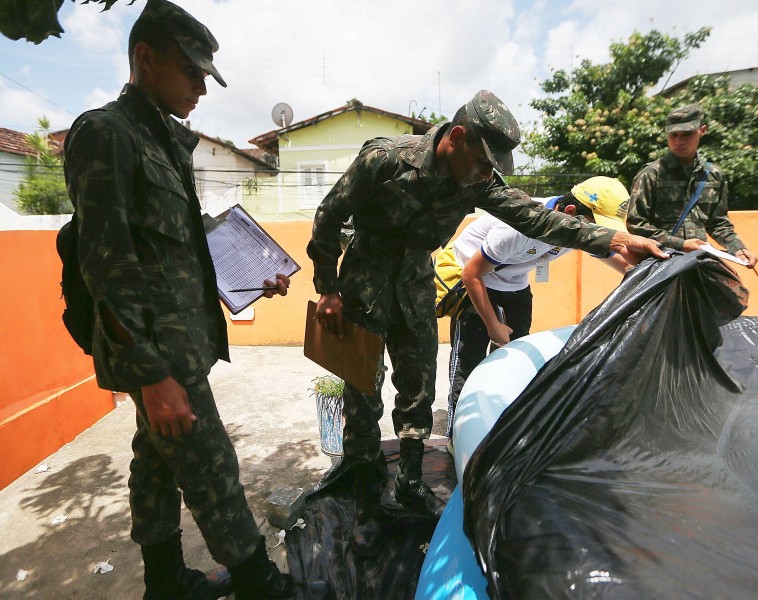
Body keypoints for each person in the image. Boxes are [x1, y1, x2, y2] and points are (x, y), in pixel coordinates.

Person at [306, 89, 668, 557]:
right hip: (364, 283)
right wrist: (328, 288)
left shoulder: (476, 181)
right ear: (456, 138)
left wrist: (614, 238)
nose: (486, 172)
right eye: (482, 160)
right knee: (362, 395)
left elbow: (539, 221)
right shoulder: (385, 159)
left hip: (416, 282)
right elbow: (328, 215)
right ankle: (365, 504)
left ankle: (411, 485)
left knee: (418, 388)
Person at [63, 1, 294, 598]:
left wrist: (249, 277)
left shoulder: (162, 140)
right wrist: (151, 375)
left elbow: (174, 252)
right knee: (213, 468)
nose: (200, 87)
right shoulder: (106, 133)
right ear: (144, 57)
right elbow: (105, 262)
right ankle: (260, 582)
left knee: (155, 465)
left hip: (179, 344)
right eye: (191, 71)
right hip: (159, 355)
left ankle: (165, 581)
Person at [441, 176, 631, 442]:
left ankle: (502, 429)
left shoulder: (574, 227)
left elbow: (623, 261)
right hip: (476, 282)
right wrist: (493, 325)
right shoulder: (519, 225)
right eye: (594, 228)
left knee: (515, 358)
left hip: (514, 283)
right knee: (467, 361)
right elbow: (471, 274)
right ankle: (456, 438)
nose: (595, 236)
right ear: (570, 212)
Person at [627, 103, 758, 269]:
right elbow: (636, 224)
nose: (679, 141)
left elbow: (718, 223)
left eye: (687, 134)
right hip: (661, 266)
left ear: (702, 130)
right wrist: (680, 244)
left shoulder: (714, 175)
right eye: (674, 135)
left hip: (697, 265)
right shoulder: (651, 174)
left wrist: (738, 248)